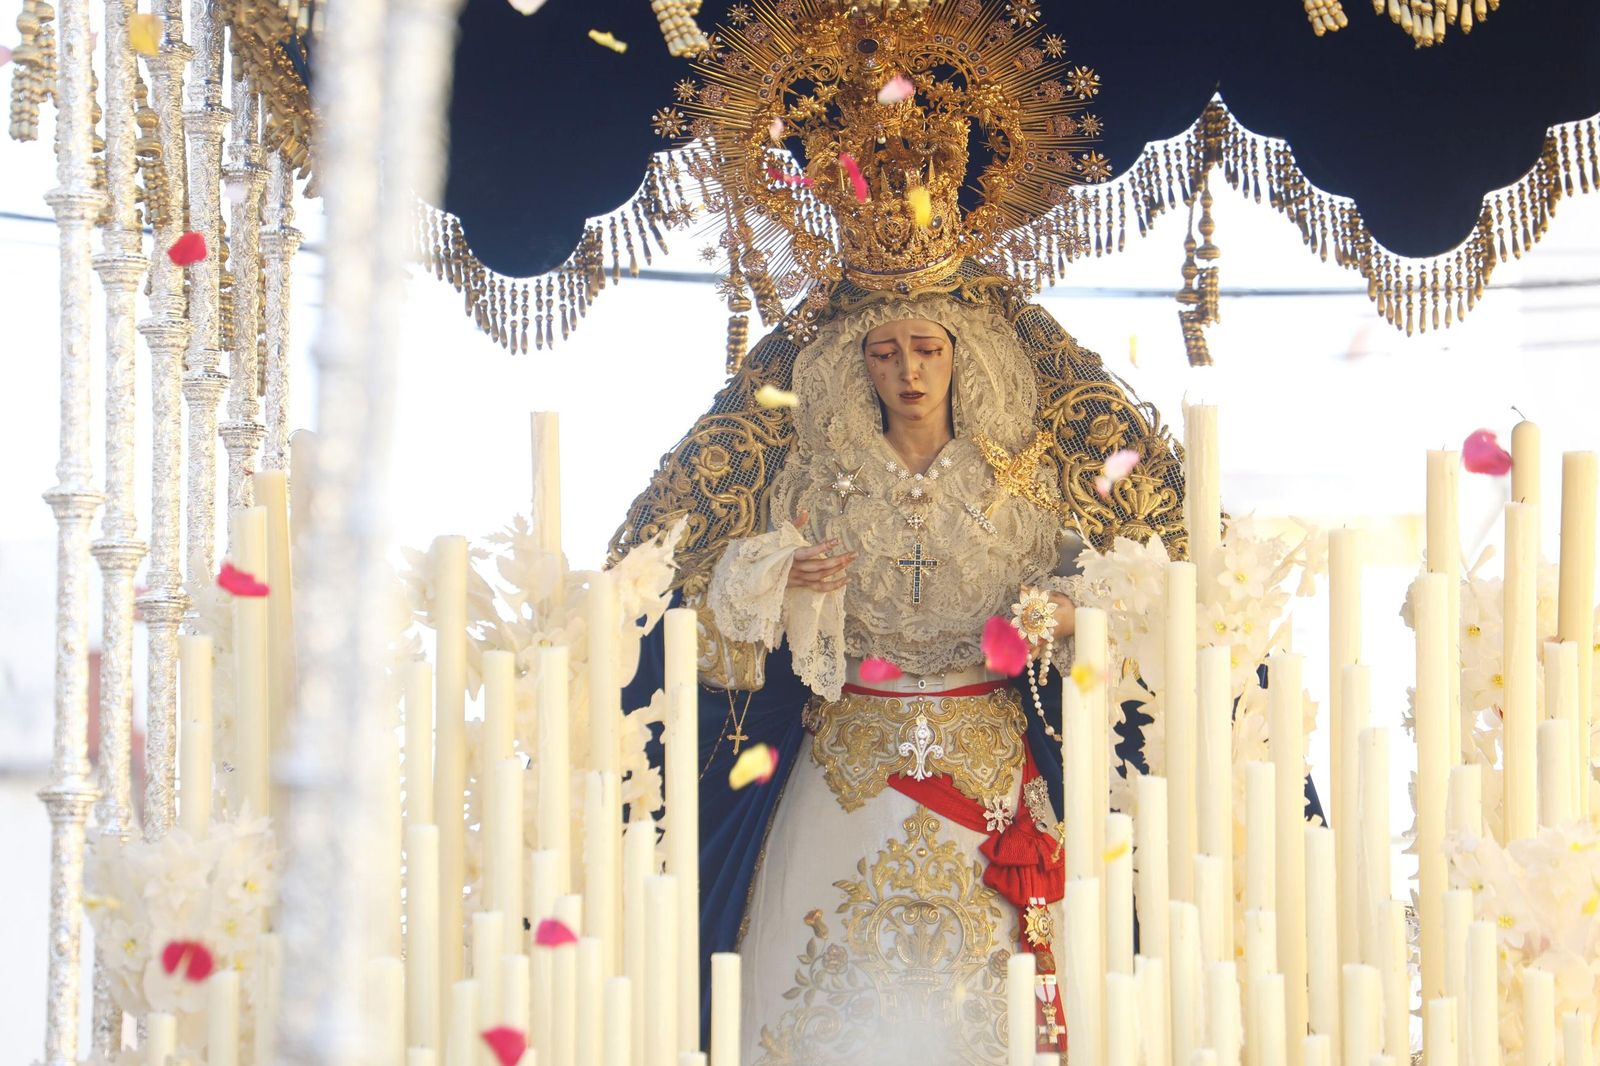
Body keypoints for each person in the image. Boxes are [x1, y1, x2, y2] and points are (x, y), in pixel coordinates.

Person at [608, 4, 1188, 1062]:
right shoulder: (815, 479)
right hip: (845, 762)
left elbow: (1129, 582)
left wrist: (1066, 615)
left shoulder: (1021, 484)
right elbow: (719, 601)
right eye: (884, 353)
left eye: (925, 347)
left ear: (962, 354)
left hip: (988, 764)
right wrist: (785, 580)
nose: (908, 371)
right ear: (854, 366)